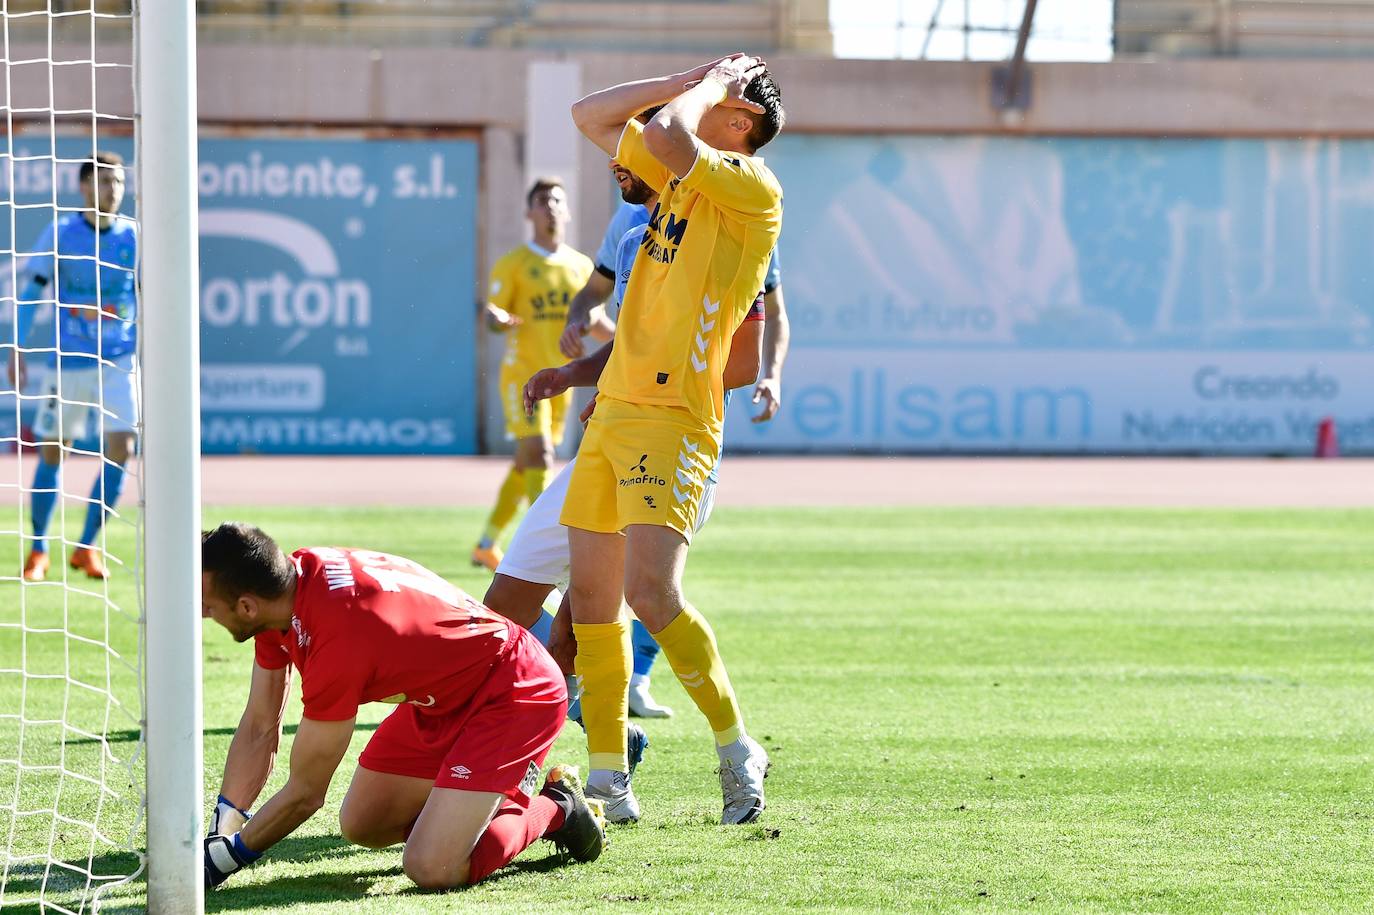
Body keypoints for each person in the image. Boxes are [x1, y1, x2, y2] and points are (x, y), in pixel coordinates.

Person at [484, 153, 788, 723]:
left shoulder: (734, 227)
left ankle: (671, 734)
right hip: (605, 433)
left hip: (667, 436)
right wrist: (577, 372)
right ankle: (566, 721)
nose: (616, 163)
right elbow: (627, 334)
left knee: (627, 598)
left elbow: (746, 348)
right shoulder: (628, 234)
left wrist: (647, 387)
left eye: (633, 152)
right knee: (514, 604)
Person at [562, 53, 784, 825]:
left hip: (677, 417)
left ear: (742, 122)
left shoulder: (752, 189)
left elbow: (662, 135)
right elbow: (589, 114)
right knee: (592, 596)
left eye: (724, 97)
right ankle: (608, 776)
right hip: (614, 410)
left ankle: (734, 746)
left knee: (650, 592)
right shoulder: (681, 173)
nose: (705, 99)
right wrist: (690, 73)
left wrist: (707, 89)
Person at [199, 522, 606, 892]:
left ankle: (556, 808)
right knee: (364, 823)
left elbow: (306, 793)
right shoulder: (287, 585)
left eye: (208, 605)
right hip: (443, 697)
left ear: (247, 606)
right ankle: (467, 811)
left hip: (514, 692)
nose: (202, 613)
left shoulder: (335, 640)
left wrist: (221, 860)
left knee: (432, 866)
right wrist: (225, 823)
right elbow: (259, 724)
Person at [10, 151, 137, 581]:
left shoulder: (134, 236)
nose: (114, 190)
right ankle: (39, 548)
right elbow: (34, 291)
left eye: (118, 182)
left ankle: (85, 546)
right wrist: (18, 346)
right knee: (53, 453)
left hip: (119, 358)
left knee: (122, 448)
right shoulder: (61, 232)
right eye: (104, 182)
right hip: (70, 361)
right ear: (83, 187)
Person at [472, 177, 594, 572]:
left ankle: (488, 544)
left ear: (568, 210)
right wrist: (496, 318)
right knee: (540, 453)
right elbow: (492, 317)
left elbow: (596, 322)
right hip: (523, 377)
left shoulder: (581, 267)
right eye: (542, 201)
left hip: (563, 377)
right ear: (529, 213)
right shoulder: (515, 264)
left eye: (558, 200)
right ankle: (547, 548)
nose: (551, 207)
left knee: (528, 461)